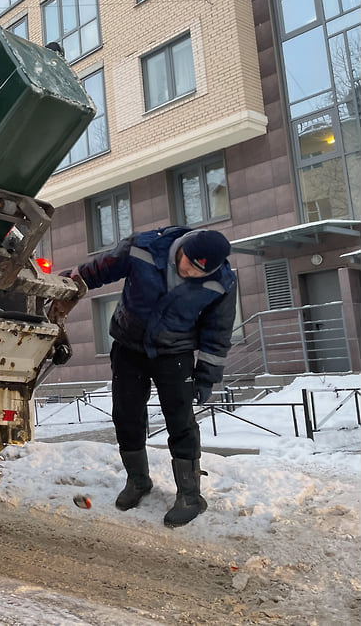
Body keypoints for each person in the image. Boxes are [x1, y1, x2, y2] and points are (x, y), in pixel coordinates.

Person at [64, 226, 236, 527]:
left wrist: (207, 376)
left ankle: (190, 495)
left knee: (180, 421)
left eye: (201, 273)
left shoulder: (222, 282)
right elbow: (102, 268)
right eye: (190, 266)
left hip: (175, 353)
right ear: (183, 250)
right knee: (126, 415)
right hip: (129, 347)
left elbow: (217, 332)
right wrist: (70, 280)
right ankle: (138, 481)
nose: (193, 274)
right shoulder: (143, 248)